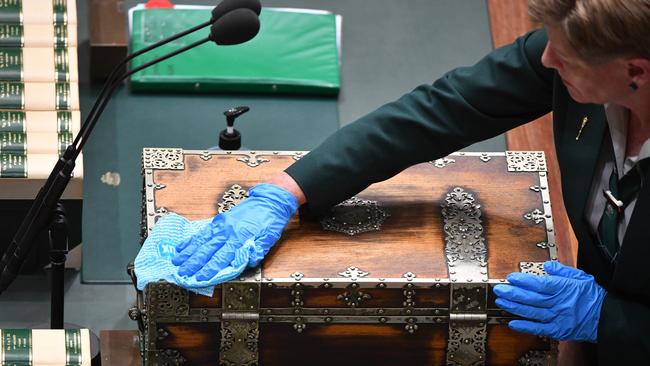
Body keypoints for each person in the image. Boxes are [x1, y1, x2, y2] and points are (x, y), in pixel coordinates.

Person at [169, 0, 650, 363]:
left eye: (562, 58)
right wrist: (287, 189)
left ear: (634, 72)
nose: (545, 61)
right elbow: (446, 108)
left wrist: (610, 321)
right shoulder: (579, 52)